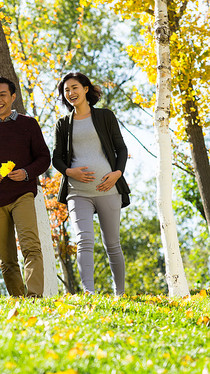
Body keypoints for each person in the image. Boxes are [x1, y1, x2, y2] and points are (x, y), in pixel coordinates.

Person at [0, 76, 51, 298]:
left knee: (31, 247)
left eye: (3, 94)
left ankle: (34, 297)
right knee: (6, 258)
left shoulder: (28, 124)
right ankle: (19, 300)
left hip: (22, 193)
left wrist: (26, 173)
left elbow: (44, 158)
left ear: (13, 97)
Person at [52, 72, 131, 296]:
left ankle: (120, 294)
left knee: (112, 244)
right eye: (66, 90)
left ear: (86, 89)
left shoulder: (105, 116)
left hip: (108, 188)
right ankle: (89, 292)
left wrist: (117, 173)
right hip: (78, 192)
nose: (71, 93)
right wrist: (69, 171)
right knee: (83, 239)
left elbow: (121, 149)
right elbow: (56, 157)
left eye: (74, 87)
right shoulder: (63, 124)